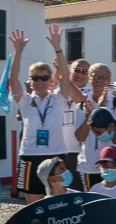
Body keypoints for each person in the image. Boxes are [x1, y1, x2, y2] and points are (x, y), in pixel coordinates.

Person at [7, 26, 87, 194]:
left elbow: (66, 76)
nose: (39, 81)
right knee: (33, 203)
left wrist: (58, 48)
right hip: (29, 155)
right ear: (30, 80)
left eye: (43, 77)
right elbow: (13, 78)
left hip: (55, 156)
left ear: (50, 79)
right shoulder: (26, 101)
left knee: (56, 199)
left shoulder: (58, 98)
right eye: (35, 77)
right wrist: (18, 51)